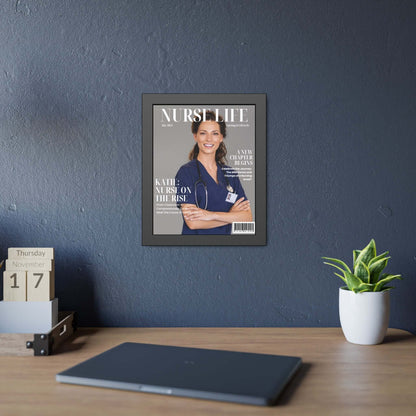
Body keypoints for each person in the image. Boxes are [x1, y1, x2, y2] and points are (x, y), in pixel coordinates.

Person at [175, 110, 252, 235]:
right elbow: (193, 223)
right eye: (203, 133)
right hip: (194, 248)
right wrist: (230, 216)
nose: (209, 139)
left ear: (221, 137)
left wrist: (211, 215)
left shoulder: (229, 174)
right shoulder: (186, 173)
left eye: (215, 133)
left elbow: (247, 218)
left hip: (225, 248)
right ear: (195, 136)